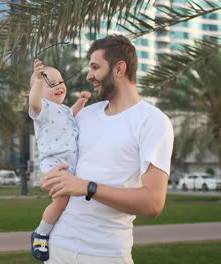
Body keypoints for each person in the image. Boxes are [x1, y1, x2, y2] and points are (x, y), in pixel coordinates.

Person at [40, 35, 174, 264]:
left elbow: (153, 203)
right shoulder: (85, 115)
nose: (89, 75)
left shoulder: (153, 121)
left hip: (106, 254)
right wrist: (52, 178)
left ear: (119, 68)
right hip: (58, 247)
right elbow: (56, 151)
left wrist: (87, 187)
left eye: (95, 67)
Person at [29, 62, 91, 261]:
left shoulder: (63, 109)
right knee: (62, 199)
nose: (59, 86)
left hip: (68, 165)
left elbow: (70, 116)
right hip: (54, 164)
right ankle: (41, 233)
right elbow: (34, 102)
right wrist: (38, 81)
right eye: (52, 83)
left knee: (73, 197)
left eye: (61, 82)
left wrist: (80, 103)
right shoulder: (43, 109)